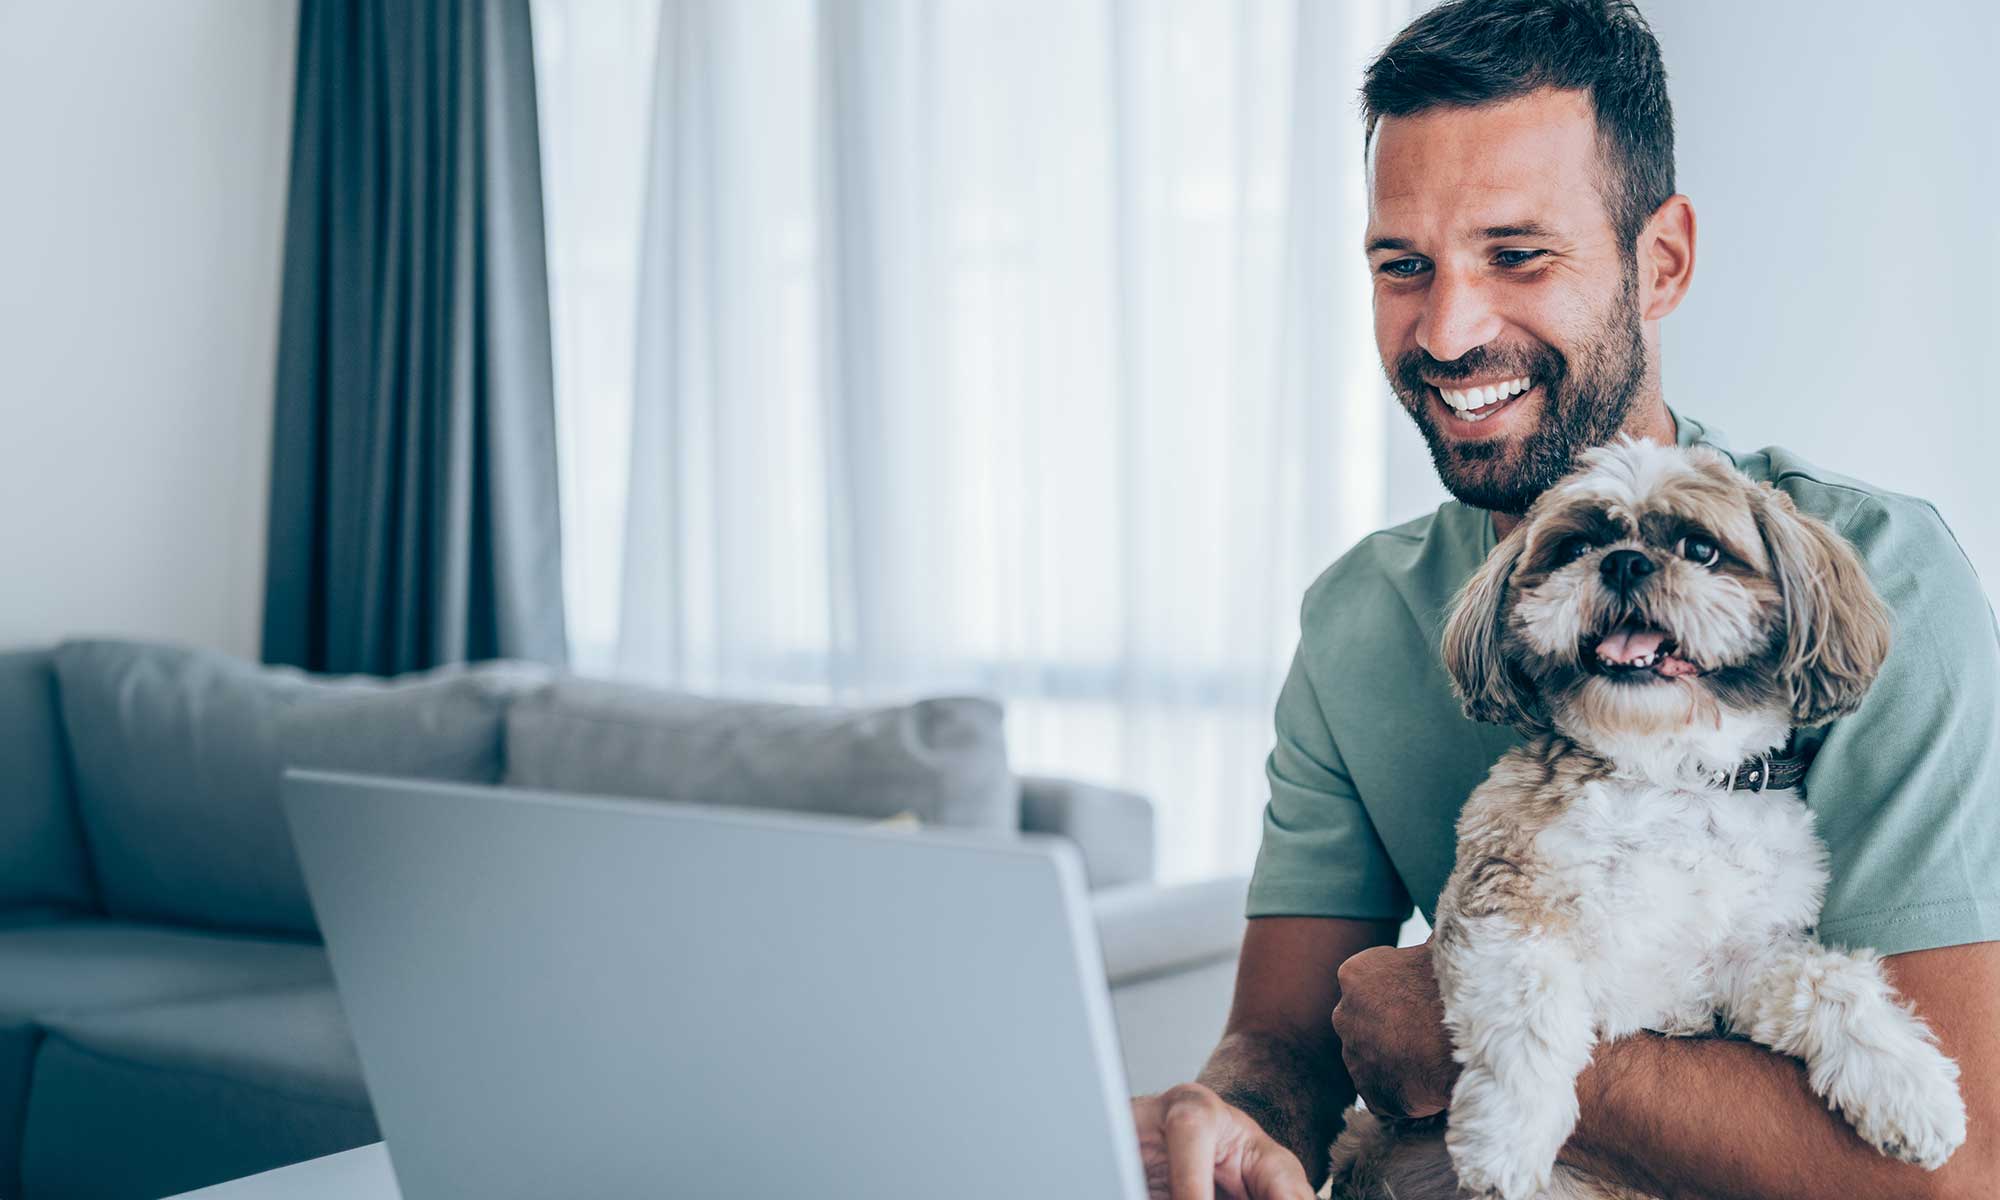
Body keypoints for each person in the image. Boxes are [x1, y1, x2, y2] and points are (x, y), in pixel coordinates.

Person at [1127, 2, 2000, 1197]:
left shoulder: (1879, 574)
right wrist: (1225, 1119)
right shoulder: (1357, 616)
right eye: (1402, 267)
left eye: (1516, 255)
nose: (1446, 329)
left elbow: (1960, 1176)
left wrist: (1501, 1052)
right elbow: (1280, 1050)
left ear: (1661, 262)